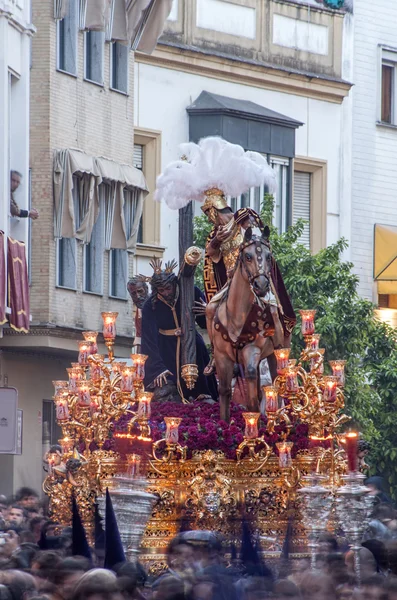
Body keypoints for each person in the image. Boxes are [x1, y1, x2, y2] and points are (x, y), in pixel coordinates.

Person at [201, 196, 296, 376]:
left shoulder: (243, 222)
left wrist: (243, 224)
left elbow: (260, 240)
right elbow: (211, 253)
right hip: (233, 283)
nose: (210, 219)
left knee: (275, 310)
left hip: (255, 277)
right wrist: (217, 241)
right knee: (210, 309)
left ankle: (280, 351)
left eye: (210, 214)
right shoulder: (216, 233)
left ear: (216, 211)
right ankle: (214, 353)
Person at [141, 257, 217, 402]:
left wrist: (208, 312)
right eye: (161, 290)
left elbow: (204, 323)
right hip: (166, 350)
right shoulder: (150, 305)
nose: (166, 293)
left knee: (200, 389)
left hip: (193, 346)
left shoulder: (191, 292)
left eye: (168, 288)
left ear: (174, 284)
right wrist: (158, 368)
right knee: (167, 392)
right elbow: (149, 339)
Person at [127, 276, 149, 352]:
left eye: (140, 291)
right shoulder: (139, 310)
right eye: (133, 294)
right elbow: (139, 338)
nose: (138, 296)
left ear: (146, 289)